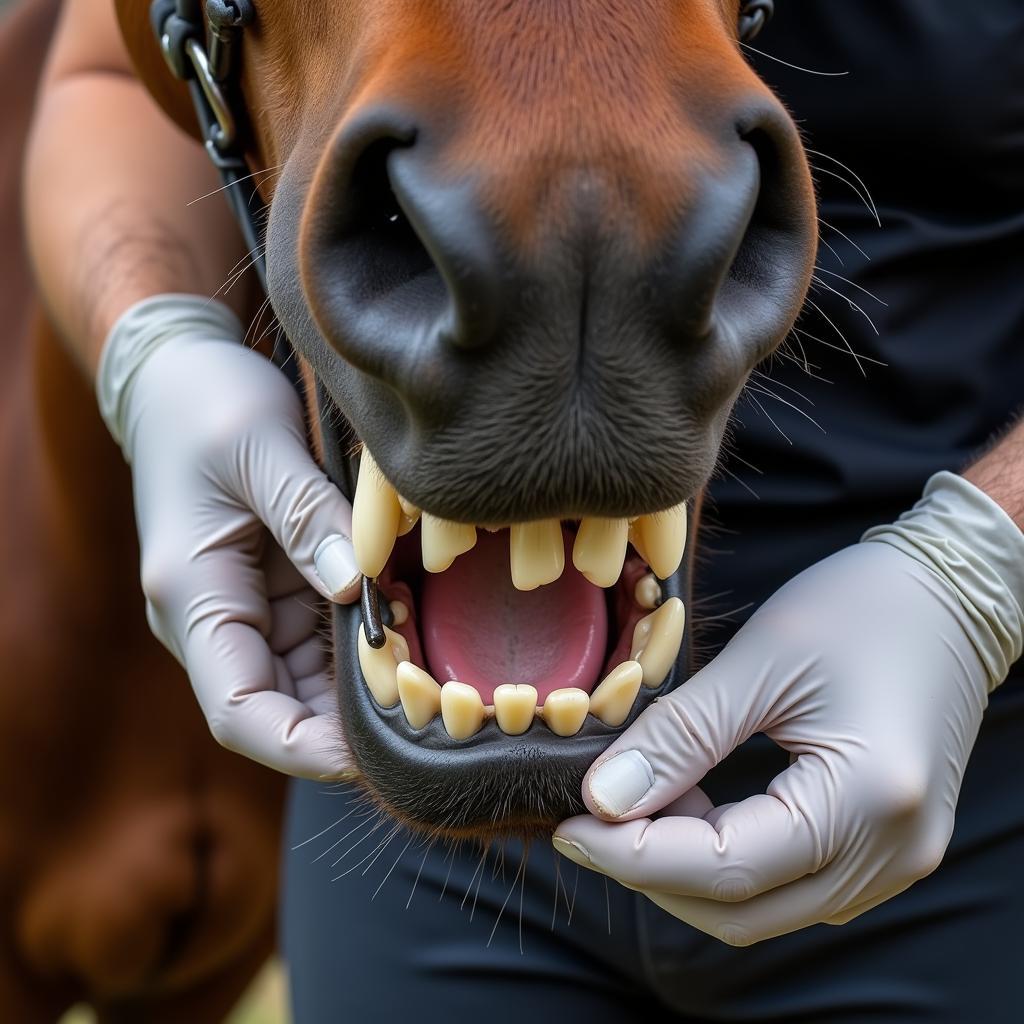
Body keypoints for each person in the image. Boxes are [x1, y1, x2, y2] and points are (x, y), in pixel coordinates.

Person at [27, 2, 1024, 1022]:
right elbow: (112, 76)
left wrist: (982, 565)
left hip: (980, 794)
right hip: (421, 879)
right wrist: (154, 338)